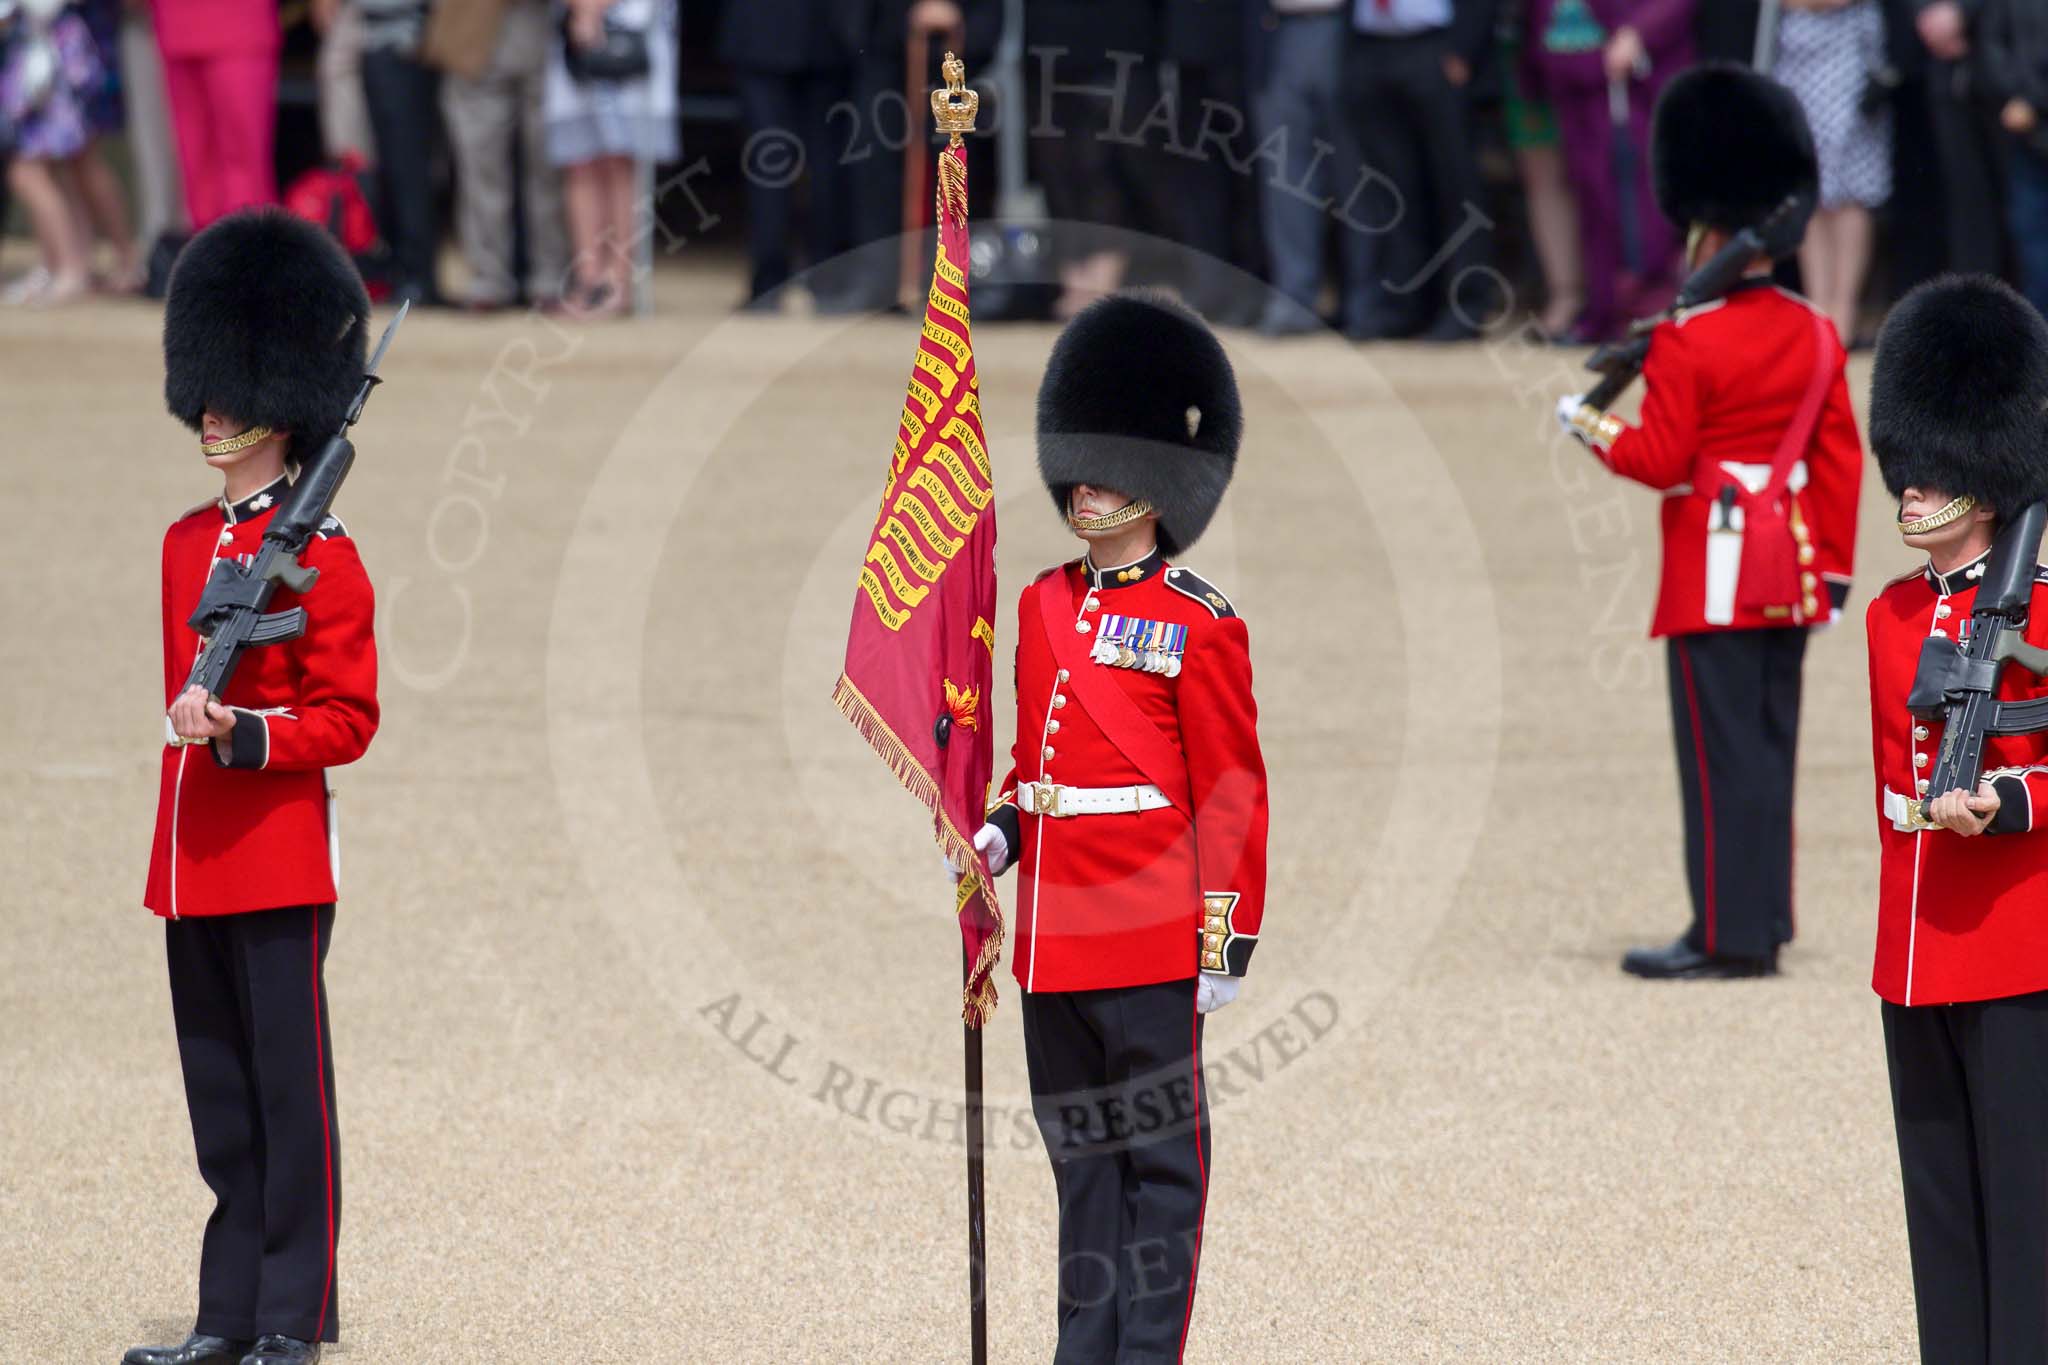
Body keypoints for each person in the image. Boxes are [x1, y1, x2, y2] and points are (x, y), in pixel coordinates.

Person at [969, 293, 1268, 1361]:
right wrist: (1000, 834)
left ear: (1160, 481)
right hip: (1054, 937)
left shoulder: (1200, 623)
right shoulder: (1042, 605)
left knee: (1158, 1171)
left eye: (1106, 465)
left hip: (1147, 930)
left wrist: (1221, 937)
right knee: (1079, 1170)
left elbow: (1229, 786)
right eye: (1078, 464)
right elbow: (1027, 766)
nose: (1085, 484)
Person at [124, 209, 380, 1365]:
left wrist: (248, 736)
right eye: (207, 391)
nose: (211, 412)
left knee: (290, 1102)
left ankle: (292, 1316)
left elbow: (347, 720)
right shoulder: (187, 546)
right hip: (192, 863)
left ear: (286, 398)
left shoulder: (326, 557)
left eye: (230, 392)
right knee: (221, 1105)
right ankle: (225, 1315)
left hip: (274, 855)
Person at [1556, 64, 1864, 979]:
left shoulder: (1691, 337)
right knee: (1769, 750)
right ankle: (1764, 915)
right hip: (1798, 566)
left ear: (1702, 229)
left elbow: (1657, 459)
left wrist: (1590, 422)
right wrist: (1835, 575)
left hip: (1716, 571)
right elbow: (1840, 461)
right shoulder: (1814, 330)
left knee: (1717, 759)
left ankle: (1727, 937)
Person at [1862, 273, 2048, 1363]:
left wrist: (2016, 802)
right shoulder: (1892, 614)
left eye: (1936, 471)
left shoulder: (2037, 607)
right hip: (1913, 947)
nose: (1909, 491)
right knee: (1938, 1205)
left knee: (2024, 1213)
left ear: (1986, 479)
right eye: (1907, 467)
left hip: (2016, 943)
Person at [1521, 0, 1694, 343]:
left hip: (1633, 77)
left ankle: (1646, 306)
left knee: (1641, 197)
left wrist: (1640, 32)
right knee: (1592, 198)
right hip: (1573, 74)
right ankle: (1603, 312)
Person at [1340, 0, 1501, 340]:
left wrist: (1463, 48)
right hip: (1370, 45)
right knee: (1392, 190)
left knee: (1456, 188)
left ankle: (1466, 305)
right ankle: (1405, 306)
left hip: (1438, 45)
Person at [1253, 0, 1386, 336]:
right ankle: (1293, 298)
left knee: (1354, 177)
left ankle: (1366, 302)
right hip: (1275, 29)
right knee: (1284, 177)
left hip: (1346, 28)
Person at [432, 0, 568, 311]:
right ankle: (488, 278)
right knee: (480, 166)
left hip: (547, 26)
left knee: (551, 165)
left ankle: (551, 278)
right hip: (473, 28)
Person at [545, 0, 677, 317]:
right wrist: (580, 11)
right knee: (580, 162)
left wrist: (593, 9)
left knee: (621, 163)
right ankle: (588, 279)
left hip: (629, 35)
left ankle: (618, 280)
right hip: (572, 38)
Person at [1773, 0, 1892, 348]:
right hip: (1796, 65)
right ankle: (1819, 310)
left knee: (1850, 194)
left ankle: (1844, 312)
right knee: (1808, 194)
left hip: (1849, 67)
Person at [149, 0, 280, 228]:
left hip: (239, 24)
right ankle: (208, 253)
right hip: (177, 26)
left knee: (243, 159)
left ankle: (246, 252)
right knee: (195, 162)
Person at [356, 0, 442, 306]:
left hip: (405, 40)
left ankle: (417, 275)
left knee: (408, 168)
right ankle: (400, 270)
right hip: (378, 38)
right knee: (391, 166)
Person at [1976, 0, 2048, 320]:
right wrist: (2015, 97)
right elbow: (1991, 46)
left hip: (2029, 115)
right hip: (2025, 137)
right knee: (2030, 240)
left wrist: (2032, 101)